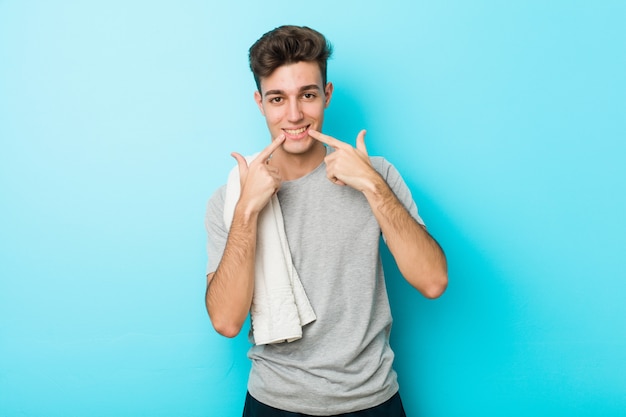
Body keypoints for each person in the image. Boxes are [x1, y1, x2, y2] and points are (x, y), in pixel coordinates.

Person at [205, 25, 447, 417]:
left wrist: (371, 184)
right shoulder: (231, 197)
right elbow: (226, 322)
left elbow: (433, 281)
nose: (295, 114)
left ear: (327, 95)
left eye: (308, 95)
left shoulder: (377, 174)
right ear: (260, 103)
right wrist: (247, 211)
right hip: (273, 402)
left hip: (372, 399)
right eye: (278, 99)